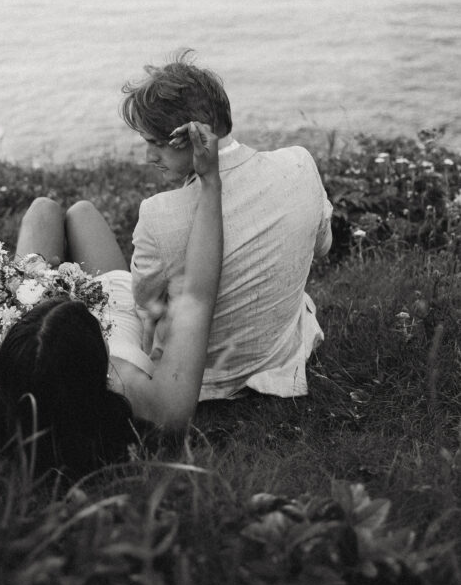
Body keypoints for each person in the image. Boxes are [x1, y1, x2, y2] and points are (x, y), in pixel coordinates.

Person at [0, 120, 223, 478]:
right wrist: (211, 181)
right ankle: (47, 298)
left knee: (42, 210)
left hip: (40, 332)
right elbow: (197, 296)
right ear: (100, 358)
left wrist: (21, 325)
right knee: (82, 212)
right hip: (114, 305)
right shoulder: (157, 407)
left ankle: (39, 291)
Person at [120, 49, 333, 401]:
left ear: (189, 136)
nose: (149, 157)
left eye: (156, 144)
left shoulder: (158, 215)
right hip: (278, 356)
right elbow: (323, 248)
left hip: (196, 380)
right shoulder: (299, 164)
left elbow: (144, 304)